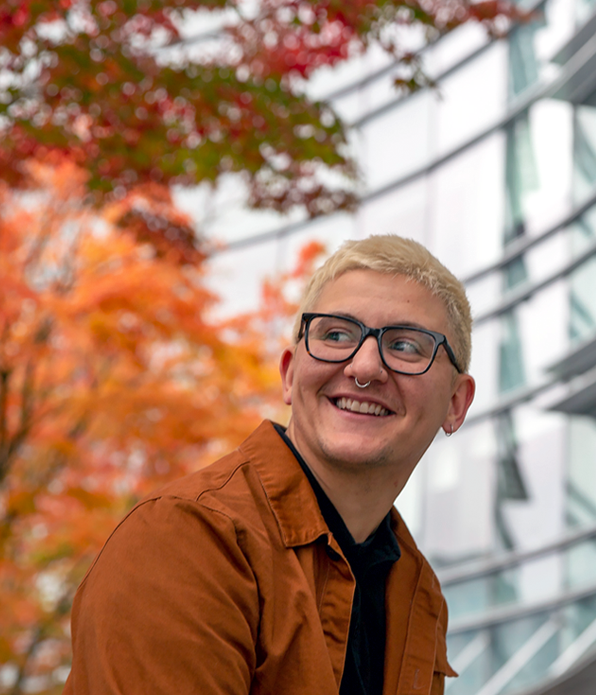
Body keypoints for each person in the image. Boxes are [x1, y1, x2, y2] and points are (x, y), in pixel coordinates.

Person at [64, 236, 477, 695]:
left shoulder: (416, 590)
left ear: (456, 403)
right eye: (336, 335)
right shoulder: (188, 538)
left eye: (405, 346)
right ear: (289, 374)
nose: (364, 367)